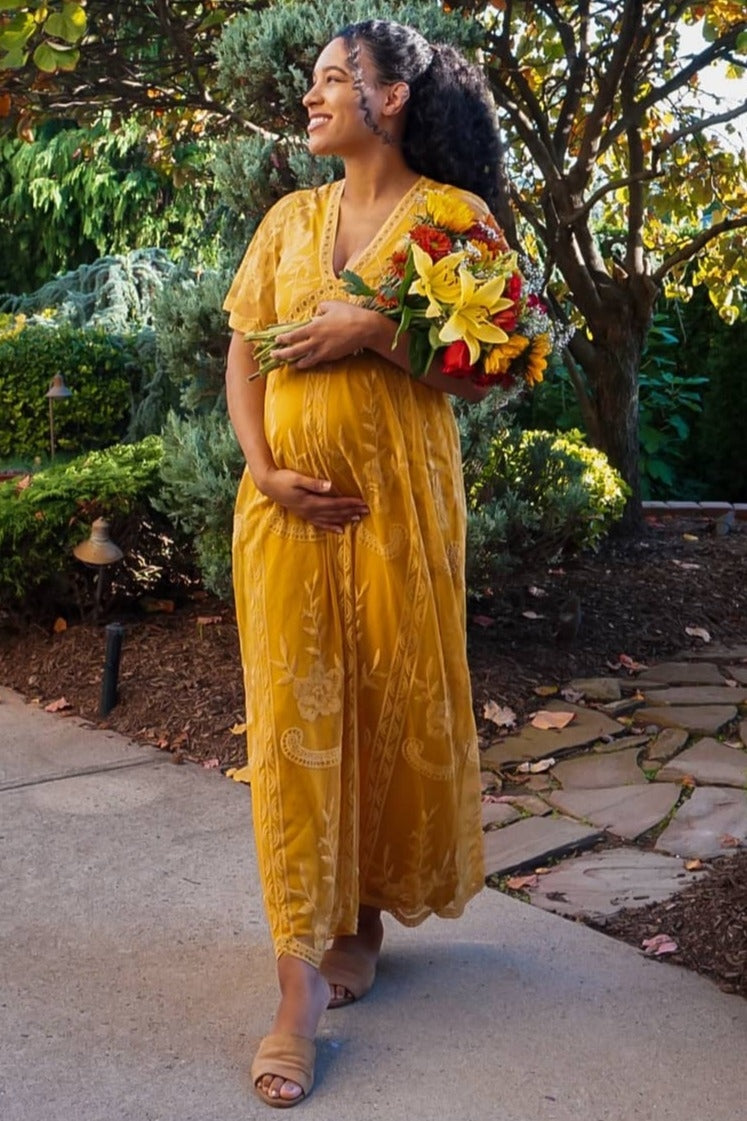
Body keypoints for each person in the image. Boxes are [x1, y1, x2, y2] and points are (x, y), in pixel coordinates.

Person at [224, 18, 507, 1108]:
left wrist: (374, 333)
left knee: (385, 713)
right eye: (313, 80)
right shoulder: (287, 220)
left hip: (400, 516)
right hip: (285, 519)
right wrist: (262, 470)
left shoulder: (453, 221)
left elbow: (486, 373)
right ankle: (295, 990)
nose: (313, 95)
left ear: (391, 98)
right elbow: (244, 353)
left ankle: (363, 917)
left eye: (335, 78)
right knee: (292, 733)